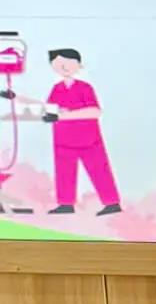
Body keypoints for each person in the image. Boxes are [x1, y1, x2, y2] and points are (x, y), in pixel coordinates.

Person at [38, 48, 121, 216]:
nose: (64, 67)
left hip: (88, 138)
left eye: (68, 63)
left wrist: (63, 116)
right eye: (58, 64)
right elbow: (49, 109)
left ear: (79, 65)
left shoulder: (84, 88)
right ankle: (65, 204)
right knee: (64, 171)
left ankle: (112, 202)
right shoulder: (57, 89)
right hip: (63, 139)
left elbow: (94, 111)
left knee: (99, 169)